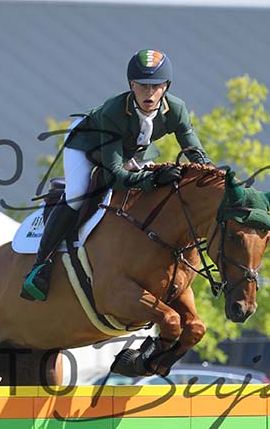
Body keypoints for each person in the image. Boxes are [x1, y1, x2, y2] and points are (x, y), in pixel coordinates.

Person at [20, 49, 213, 301]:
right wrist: (153, 179)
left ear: (166, 86)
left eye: (156, 86)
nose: (149, 93)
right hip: (87, 143)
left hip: (131, 147)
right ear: (131, 85)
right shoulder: (114, 111)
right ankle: (40, 266)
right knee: (78, 193)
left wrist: (215, 180)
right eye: (142, 86)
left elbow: (195, 152)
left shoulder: (176, 109)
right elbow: (116, 177)